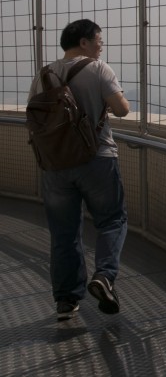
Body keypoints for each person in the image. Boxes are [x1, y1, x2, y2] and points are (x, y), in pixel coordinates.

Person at [29, 19, 131, 321]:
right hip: (97, 159)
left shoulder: (44, 74)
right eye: (99, 39)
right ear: (84, 42)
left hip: (55, 166)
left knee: (63, 233)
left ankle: (66, 301)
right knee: (112, 220)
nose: (101, 44)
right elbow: (123, 108)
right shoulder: (98, 68)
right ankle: (104, 277)